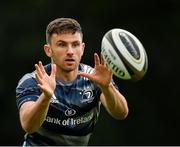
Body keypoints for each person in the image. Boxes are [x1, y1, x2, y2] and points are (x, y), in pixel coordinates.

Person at [16, 17, 129, 146]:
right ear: (48, 50)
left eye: (75, 44)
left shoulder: (95, 77)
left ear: (82, 48)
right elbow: (28, 126)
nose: (70, 52)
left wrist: (107, 87)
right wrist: (46, 97)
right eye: (62, 44)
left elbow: (121, 113)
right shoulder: (33, 80)